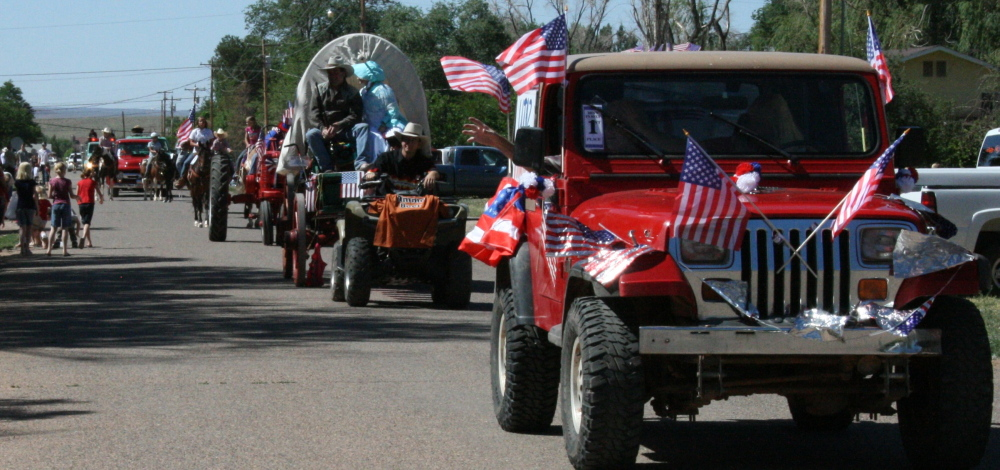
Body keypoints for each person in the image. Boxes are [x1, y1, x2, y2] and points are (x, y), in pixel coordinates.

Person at [306, 55, 366, 172]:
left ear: (343, 73)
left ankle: (360, 163)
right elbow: (313, 114)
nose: (333, 76)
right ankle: (326, 168)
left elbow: (355, 115)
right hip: (325, 130)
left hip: (346, 130)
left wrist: (339, 124)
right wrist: (323, 129)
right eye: (330, 73)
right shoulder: (319, 90)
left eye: (336, 72)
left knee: (362, 128)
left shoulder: (352, 92)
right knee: (311, 134)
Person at [353, 60, 407, 170]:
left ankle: (390, 164)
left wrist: (384, 123)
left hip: (388, 123)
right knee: (366, 136)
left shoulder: (383, 90)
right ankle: (370, 166)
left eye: (360, 75)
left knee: (387, 136)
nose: (358, 78)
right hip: (371, 125)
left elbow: (393, 110)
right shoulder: (363, 91)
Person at [364, 123, 438, 195]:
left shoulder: (423, 161)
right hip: (387, 203)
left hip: (414, 204)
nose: (409, 143)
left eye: (413, 140)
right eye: (406, 139)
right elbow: (372, 172)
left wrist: (433, 174)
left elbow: (433, 170)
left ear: (419, 144)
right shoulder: (386, 158)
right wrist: (371, 174)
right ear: (401, 141)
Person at [46, 162, 75, 257]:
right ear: (64, 171)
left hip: (56, 204)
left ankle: (49, 250)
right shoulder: (67, 181)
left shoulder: (52, 181)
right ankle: (64, 250)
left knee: (53, 228)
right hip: (65, 204)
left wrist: (55, 195)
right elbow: (71, 195)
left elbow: (49, 195)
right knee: (65, 228)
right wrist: (77, 197)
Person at [176, 117, 214, 188]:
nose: (201, 123)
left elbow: (212, 141)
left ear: (205, 123)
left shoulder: (209, 131)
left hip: (206, 152)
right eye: (200, 121)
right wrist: (198, 144)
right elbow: (191, 142)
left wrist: (208, 145)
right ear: (198, 123)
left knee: (214, 163)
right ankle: (182, 179)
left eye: (203, 121)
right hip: (196, 152)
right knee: (186, 163)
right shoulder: (194, 131)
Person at [13, 162, 39, 256]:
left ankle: (22, 249)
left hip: (20, 206)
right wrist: (37, 207)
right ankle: (27, 248)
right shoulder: (31, 182)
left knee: (22, 228)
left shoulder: (17, 182)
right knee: (29, 227)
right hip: (30, 206)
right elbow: (34, 195)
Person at [76, 168, 103, 248]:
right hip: (89, 202)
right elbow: (98, 192)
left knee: (85, 223)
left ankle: (89, 242)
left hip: (81, 203)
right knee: (87, 222)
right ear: (90, 174)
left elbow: (77, 194)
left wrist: (78, 201)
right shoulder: (93, 182)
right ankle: (83, 237)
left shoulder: (79, 182)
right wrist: (101, 198)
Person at [33, 185, 51, 249]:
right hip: (44, 218)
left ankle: (39, 241)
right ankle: (43, 239)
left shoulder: (36, 201)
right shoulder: (46, 201)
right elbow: (50, 209)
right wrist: (49, 214)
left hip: (37, 217)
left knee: (35, 230)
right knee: (41, 229)